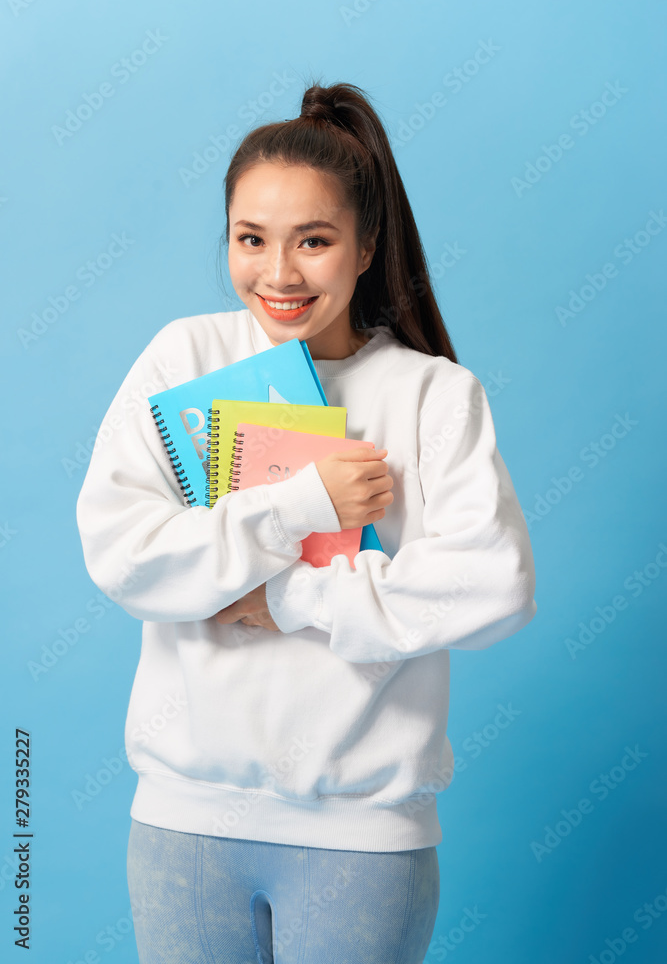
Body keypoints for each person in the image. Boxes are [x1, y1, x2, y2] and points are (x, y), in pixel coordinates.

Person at [76, 80, 537, 964]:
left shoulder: (432, 394)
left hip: (361, 837)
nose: (278, 275)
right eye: (251, 239)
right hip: (183, 826)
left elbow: (493, 588)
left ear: (365, 248)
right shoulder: (185, 358)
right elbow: (124, 554)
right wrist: (304, 506)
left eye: (313, 242)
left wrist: (285, 599)